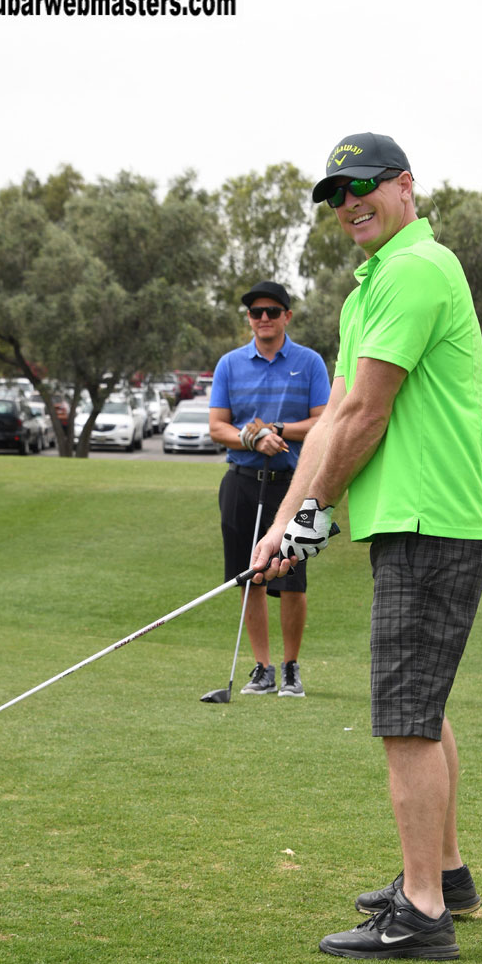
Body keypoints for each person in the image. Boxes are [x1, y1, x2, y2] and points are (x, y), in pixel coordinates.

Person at [252, 134, 482, 960]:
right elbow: (333, 421)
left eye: (362, 186)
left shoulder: (418, 270)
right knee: (420, 702)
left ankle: (421, 912)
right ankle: (445, 875)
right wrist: (284, 522)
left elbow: (368, 414)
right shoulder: (372, 288)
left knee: (402, 714)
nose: (348, 203)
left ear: (403, 187)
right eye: (335, 193)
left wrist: (312, 517)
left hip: (430, 519)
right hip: (411, 519)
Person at [209, 281, 331, 697]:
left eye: (272, 312)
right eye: (256, 312)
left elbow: (323, 422)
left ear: (286, 317)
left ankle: (291, 666)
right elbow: (217, 426)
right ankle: (262, 668)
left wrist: (279, 430)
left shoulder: (309, 362)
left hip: (294, 485)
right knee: (251, 579)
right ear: (249, 318)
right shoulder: (229, 364)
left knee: (292, 579)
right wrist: (252, 439)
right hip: (242, 482)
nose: (264, 318)